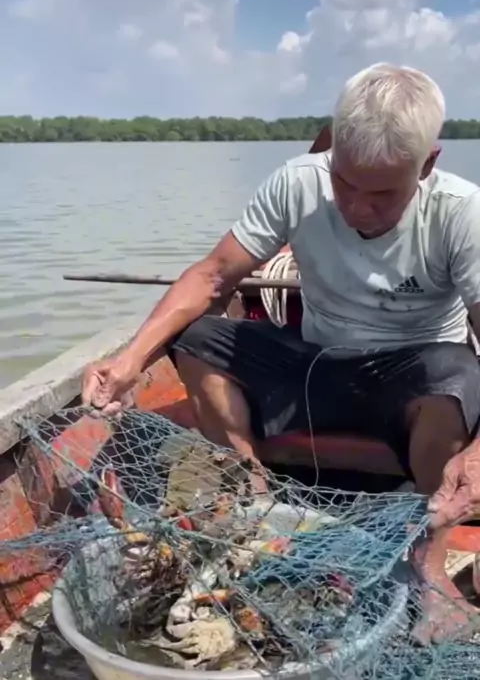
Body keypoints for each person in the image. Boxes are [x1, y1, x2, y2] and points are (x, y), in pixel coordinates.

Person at [83, 61, 480, 525]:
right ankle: (252, 498)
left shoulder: (461, 213)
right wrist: (131, 360)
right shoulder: (297, 182)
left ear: (427, 164)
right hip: (317, 365)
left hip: (412, 383)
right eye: (343, 182)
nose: (356, 208)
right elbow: (212, 276)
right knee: (197, 337)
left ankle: (430, 533)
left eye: (382, 195)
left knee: (456, 372)